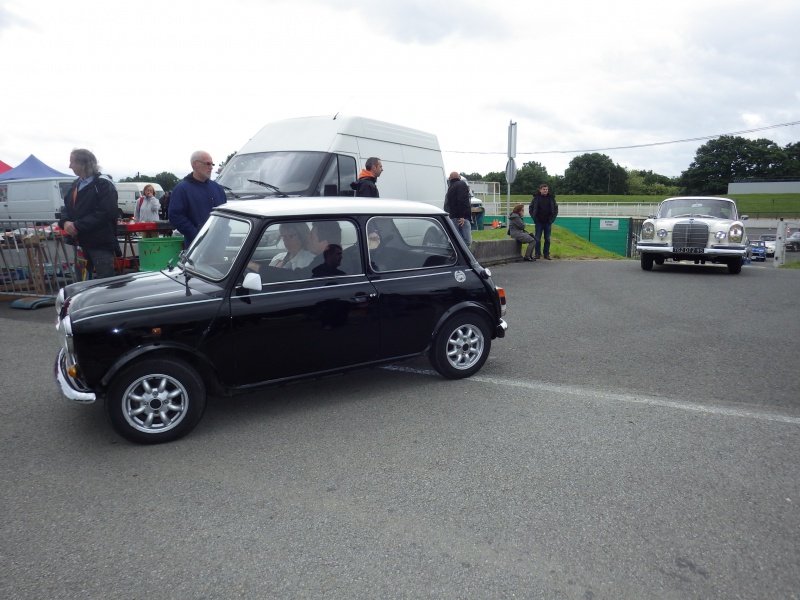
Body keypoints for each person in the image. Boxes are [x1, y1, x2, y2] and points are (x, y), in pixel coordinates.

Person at [59, 149, 119, 279]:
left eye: (72, 162)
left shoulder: (103, 184)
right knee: (82, 280)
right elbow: (66, 207)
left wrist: (77, 226)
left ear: (83, 164)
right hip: (80, 242)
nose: (70, 166)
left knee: (105, 281)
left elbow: (105, 212)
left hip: (100, 243)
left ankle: (106, 300)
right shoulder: (76, 184)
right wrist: (66, 222)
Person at [168, 151, 227, 248]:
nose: (211, 167)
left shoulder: (218, 189)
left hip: (219, 245)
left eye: (212, 164)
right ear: (195, 164)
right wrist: (196, 234)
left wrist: (224, 232)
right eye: (207, 163)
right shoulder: (182, 189)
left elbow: (226, 214)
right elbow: (175, 216)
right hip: (196, 247)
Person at [528, 183, 558, 260]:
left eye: (546, 189)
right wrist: (534, 218)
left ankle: (546, 254)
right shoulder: (536, 198)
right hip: (539, 222)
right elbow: (531, 208)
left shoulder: (551, 198)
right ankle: (537, 254)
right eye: (544, 189)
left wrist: (552, 219)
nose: (545, 191)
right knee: (537, 238)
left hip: (548, 222)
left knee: (547, 239)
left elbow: (555, 209)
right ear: (540, 190)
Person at [445, 171, 472, 247]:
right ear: (459, 177)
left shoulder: (450, 188)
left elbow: (447, 203)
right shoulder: (462, 184)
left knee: (456, 239)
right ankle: (462, 256)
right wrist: (462, 216)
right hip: (462, 218)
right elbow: (461, 200)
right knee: (467, 241)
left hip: (453, 216)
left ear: (450, 178)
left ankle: (453, 252)